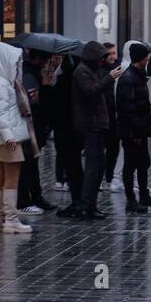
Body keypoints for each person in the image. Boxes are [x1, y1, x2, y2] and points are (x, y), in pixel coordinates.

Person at [0, 42, 35, 234]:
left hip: (2, 138)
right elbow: (0, 114)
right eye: (14, 62)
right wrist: (9, 136)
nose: (16, 66)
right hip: (9, 138)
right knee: (11, 179)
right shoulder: (0, 84)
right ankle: (10, 220)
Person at [71, 41, 122, 220]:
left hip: (96, 124)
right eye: (101, 57)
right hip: (89, 125)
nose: (103, 61)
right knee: (93, 167)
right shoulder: (82, 71)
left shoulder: (88, 70)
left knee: (98, 166)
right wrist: (110, 78)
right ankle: (87, 205)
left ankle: (91, 204)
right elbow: (90, 91)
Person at [115, 42, 151, 213]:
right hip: (132, 131)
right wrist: (135, 131)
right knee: (130, 165)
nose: (148, 59)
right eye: (146, 57)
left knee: (143, 163)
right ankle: (131, 200)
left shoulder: (139, 75)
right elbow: (128, 108)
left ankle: (144, 195)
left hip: (140, 129)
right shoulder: (128, 78)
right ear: (140, 58)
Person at [50, 55, 89, 218]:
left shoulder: (61, 83)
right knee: (77, 167)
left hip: (64, 130)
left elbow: (52, 107)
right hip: (78, 129)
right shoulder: (81, 81)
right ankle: (80, 199)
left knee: (72, 166)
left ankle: (76, 202)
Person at [18, 49, 54, 214]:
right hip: (29, 127)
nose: (47, 63)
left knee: (31, 164)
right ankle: (25, 199)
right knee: (27, 164)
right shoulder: (29, 75)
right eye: (45, 59)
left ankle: (36, 196)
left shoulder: (33, 73)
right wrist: (45, 87)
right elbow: (33, 103)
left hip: (35, 126)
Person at [99, 43, 123, 192]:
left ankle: (109, 178)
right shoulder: (100, 71)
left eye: (114, 53)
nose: (113, 57)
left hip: (114, 117)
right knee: (100, 150)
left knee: (113, 150)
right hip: (102, 116)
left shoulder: (120, 68)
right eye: (109, 54)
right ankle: (100, 179)